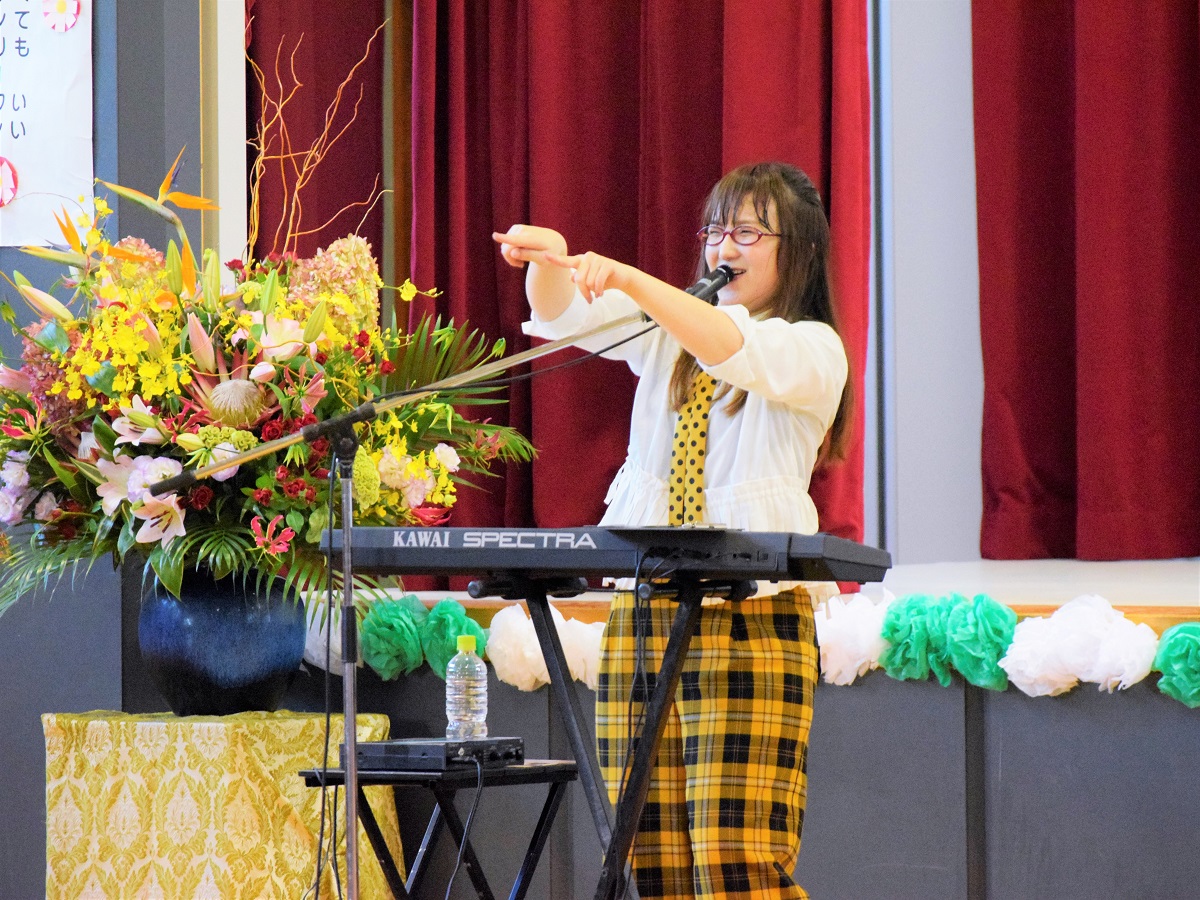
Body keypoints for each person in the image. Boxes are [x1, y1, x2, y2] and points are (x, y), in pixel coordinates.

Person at [493, 161, 850, 900]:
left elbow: (730, 346)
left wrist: (628, 277)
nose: (724, 247)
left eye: (747, 232)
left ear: (800, 251)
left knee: (734, 860)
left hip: (748, 614)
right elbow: (564, 317)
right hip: (645, 606)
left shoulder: (812, 347)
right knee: (647, 859)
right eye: (715, 230)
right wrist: (551, 264)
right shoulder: (668, 334)